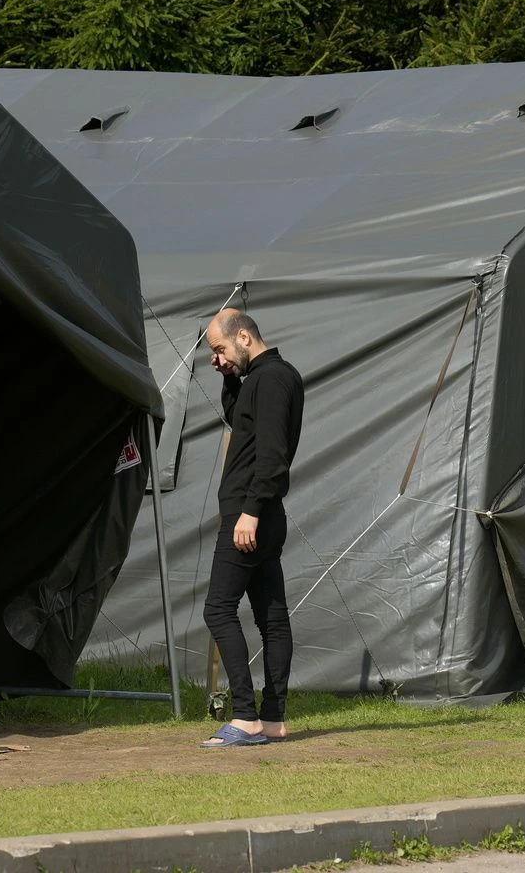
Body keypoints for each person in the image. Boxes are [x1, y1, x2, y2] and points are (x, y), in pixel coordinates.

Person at [199, 309, 305, 748]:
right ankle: (274, 719)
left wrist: (251, 511)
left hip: (250, 515)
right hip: (257, 512)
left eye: (220, 349)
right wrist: (227, 374)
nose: (216, 359)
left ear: (244, 336)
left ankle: (245, 717)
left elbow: (272, 454)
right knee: (271, 616)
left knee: (218, 609)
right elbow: (240, 423)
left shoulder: (273, 379)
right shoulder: (259, 380)